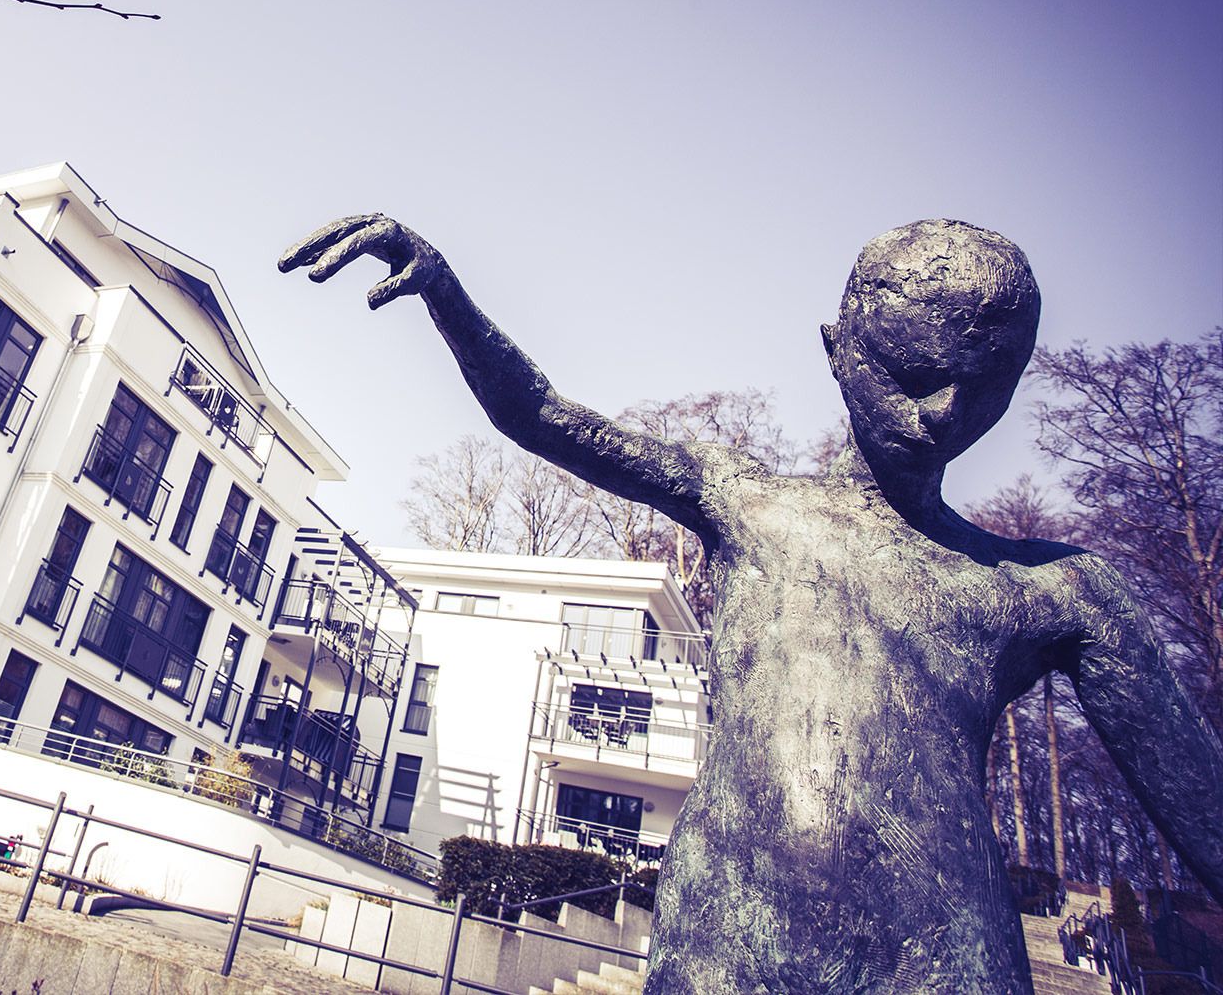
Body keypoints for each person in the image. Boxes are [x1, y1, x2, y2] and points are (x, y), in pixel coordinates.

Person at [281, 215, 1222, 994]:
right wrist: (447, 294)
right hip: (727, 947)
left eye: (983, 386)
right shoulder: (745, 499)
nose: (942, 412)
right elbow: (545, 415)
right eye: (909, 374)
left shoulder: (1056, 590)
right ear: (837, 351)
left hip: (944, 957)